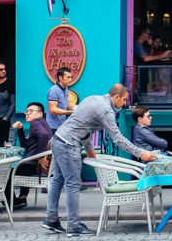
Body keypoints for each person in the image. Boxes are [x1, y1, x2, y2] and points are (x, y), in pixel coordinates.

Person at [42, 83, 158, 236]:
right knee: (72, 184)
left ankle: (51, 219)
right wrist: (140, 153)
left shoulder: (93, 98)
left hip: (58, 139)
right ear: (116, 97)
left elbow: (84, 126)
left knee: (57, 180)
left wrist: (89, 148)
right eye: (123, 100)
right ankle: (73, 226)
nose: (124, 104)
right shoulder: (106, 111)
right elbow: (117, 138)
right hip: (69, 145)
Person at [11, 102, 52, 209]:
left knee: (5, 173)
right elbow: (25, 145)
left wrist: (41, 156)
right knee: (21, 167)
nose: (27, 113)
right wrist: (20, 129)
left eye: (31, 111)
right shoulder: (41, 123)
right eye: (27, 111)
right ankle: (22, 197)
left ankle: (13, 201)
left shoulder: (36, 123)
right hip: (32, 164)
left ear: (40, 114)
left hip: (33, 164)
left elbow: (44, 135)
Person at [47, 67, 74, 135]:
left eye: (71, 77)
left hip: (61, 125)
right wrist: (70, 112)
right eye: (68, 77)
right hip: (52, 127)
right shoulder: (54, 90)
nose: (70, 80)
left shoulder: (66, 88)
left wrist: (79, 108)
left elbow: (66, 104)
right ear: (60, 77)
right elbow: (53, 110)